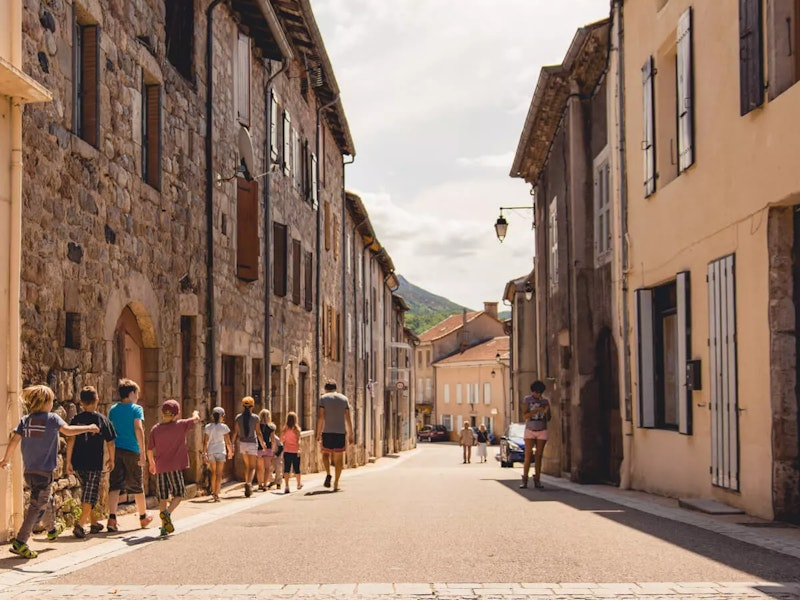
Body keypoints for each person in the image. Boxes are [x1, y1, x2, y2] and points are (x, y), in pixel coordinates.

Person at [0, 385, 99, 559]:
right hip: (44, 472)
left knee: (46, 498)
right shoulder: (52, 419)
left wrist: (6, 459)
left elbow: (14, 439)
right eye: (52, 400)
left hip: (29, 472)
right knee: (37, 505)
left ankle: (51, 529)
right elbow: (68, 431)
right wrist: (89, 428)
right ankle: (20, 542)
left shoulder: (26, 420)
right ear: (46, 402)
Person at [65, 386, 117, 538]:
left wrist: (68, 461)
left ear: (81, 403)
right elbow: (110, 442)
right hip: (94, 464)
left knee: (87, 492)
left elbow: (70, 440)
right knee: (90, 494)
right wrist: (112, 459)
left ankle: (94, 523)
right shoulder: (102, 420)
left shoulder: (76, 420)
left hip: (78, 462)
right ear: (97, 400)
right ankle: (80, 525)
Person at [147, 399, 200, 536]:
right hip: (175, 466)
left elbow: (149, 450)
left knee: (163, 497)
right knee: (179, 493)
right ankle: (167, 514)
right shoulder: (180, 425)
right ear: (176, 414)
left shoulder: (155, 429)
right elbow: (196, 419)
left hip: (160, 467)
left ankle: (164, 526)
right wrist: (195, 412)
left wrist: (152, 463)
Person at [107, 378, 152, 532]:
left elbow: (111, 431)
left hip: (117, 450)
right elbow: (138, 428)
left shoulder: (113, 410)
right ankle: (143, 517)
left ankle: (112, 519)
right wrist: (142, 452)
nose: (137, 396)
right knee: (137, 485)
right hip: (132, 450)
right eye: (137, 393)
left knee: (114, 485)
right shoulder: (136, 409)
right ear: (132, 393)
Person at [315, 381, 353, 491]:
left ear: (326, 389)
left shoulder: (323, 399)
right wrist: (350, 433)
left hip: (327, 432)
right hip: (340, 433)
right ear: (336, 388)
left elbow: (321, 417)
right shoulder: (344, 399)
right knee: (339, 459)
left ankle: (328, 473)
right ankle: (336, 482)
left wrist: (318, 433)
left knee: (325, 455)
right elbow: (348, 418)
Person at [231, 396, 266, 497]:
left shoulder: (238, 418)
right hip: (252, 443)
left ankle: (247, 483)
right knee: (252, 467)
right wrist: (263, 444)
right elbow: (258, 433)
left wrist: (232, 444)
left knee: (247, 466)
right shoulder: (255, 418)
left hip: (242, 444)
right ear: (252, 406)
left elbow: (235, 432)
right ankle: (248, 483)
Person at [521, 380, 551, 489]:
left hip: (542, 429)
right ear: (532, 391)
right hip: (530, 430)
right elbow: (525, 416)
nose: (537, 395)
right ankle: (524, 479)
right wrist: (536, 410)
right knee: (528, 456)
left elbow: (548, 418)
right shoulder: (527, 400)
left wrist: (546, 412)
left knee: (539, 456)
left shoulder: (545, 401)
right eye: (536, 392)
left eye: (539, 393)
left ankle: (537, 479)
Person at [202, 406, 233, 502]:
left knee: (213, 473)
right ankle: (216, 493)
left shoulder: (208, 427)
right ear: (221, 416)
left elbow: (205, 442)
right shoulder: (224, 427)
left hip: (211, 451)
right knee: (219, 474)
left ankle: (213, 491)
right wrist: (230, 451)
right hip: (221, 451)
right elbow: (228, 441)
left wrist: (204, 453)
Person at [256, 409, 277, 491]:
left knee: (259, 468)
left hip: (259, 448)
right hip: (268, 448)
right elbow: (272, 440)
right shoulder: (271, 427)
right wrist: (273, 449)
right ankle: (265, 485)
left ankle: (259, 484)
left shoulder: (257, 426)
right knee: (267, 468)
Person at [281, 411, 302, 493]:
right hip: (295, 451)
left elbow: (281, 439)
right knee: (297, 468)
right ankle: (298, 484)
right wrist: (299, 449)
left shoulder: (285, 429)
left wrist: (285, 442)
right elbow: (298, 440)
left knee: (287, 468)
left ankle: (286, 486)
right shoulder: (297, 429)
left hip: (287, 450)